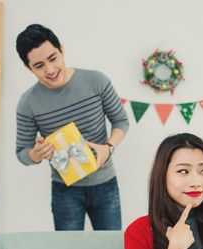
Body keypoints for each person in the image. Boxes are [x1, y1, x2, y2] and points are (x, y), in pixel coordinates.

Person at [15, 24, 129, 230]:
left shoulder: (96, 81)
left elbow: (121, 121)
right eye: (39, 66)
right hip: (64, 191)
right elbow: (22, 153)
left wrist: (108, 147)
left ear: (62, 50)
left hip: (106, 184)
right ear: (28, 68)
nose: (50, 70)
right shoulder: (27, 103)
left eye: (53, 58)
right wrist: (36, 154)